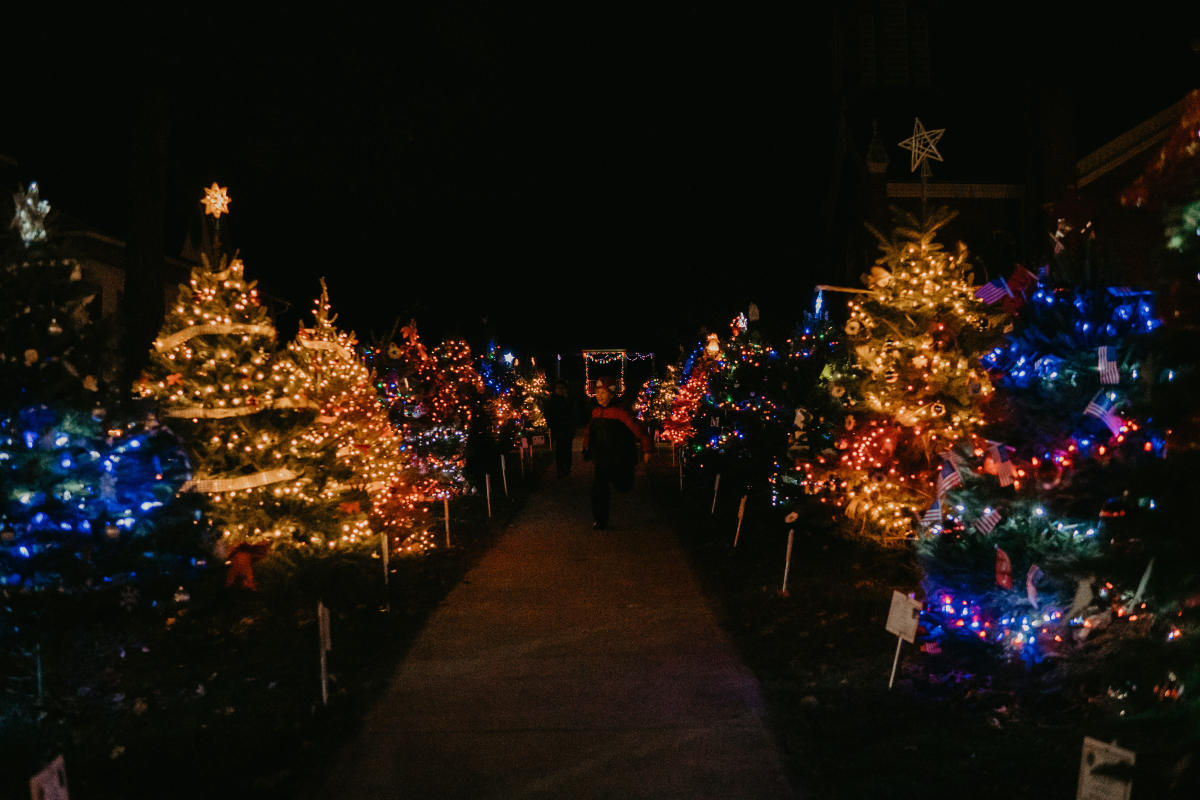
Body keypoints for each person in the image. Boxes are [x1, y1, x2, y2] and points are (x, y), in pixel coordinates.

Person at [581, 377, 653, 530]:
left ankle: (624, 481)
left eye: (603, 392)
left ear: (612, 394)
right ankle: (600, 520)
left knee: (623, 485)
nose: (599, 396)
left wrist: (647, 448)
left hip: (619, 457)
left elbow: (638, 429)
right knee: (598, 489)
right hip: (602, 458)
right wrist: (586, 447)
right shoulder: (595, 412)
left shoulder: (620, 412)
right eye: (597, 392)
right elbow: (589, 431)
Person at [545, 379, 575, 477]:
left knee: (568, 450)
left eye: (563, 388)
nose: (561, 390)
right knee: (560, 450)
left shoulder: (568, 399)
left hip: (568, 429)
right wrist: (553, 426)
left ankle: (567, 468)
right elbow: (549, 415)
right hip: (558, 429)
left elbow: (573, 413)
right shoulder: (552, 401)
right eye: (559, 388)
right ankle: (560, 469)